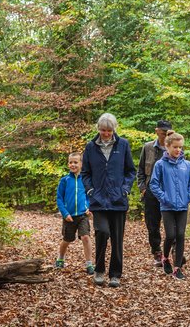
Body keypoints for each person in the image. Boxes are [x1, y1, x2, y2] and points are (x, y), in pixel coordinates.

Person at [81, 113, 137, 287]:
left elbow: (130, 171)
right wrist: (90, 190)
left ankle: (115, 274)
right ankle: (99, 270)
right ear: (98, 129)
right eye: (103, 130)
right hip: (98, 201)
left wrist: (125, 189)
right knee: (102, 233)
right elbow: (85, 173)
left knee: (117, 239)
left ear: (114, 129)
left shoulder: (123, 145)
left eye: (109, 130)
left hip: (118, 200)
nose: (106, 134)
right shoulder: (90, 147)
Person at [148, 130, 190, 280]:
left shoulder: (187, 165)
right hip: (167, 206)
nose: (178, 150)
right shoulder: (160, 165)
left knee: (181, 235)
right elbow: (154, 184)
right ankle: (165, 258)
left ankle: (177, 268)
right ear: (167, 147)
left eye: (180, 147)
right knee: (170, 235)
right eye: (175, 147)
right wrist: (164, 198)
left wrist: (189, 197)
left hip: (182, 206)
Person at [136, 120, 171, 267]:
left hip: (169, 192)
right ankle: (157, 252)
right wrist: (143, 188)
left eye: (168, 133)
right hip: (151, 191)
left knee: (171, 224)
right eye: (163, 133)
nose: (165, 135)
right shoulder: (148, 147)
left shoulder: (174, 147)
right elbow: (141, 170)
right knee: (152, 224)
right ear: (157, 131)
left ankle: (173, 251)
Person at [55, 152, 94, 274]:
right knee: (67, 239)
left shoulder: (86, 180)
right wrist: (65, 213)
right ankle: (60, 258)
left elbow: (90, 195)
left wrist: (89, 206)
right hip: (69, 216)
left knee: (85, 237)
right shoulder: (65, 180)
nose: (73, 165)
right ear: (68, 164)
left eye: (76, 162)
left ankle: (89, 264)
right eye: (71, 162)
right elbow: (59, 198)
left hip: (83, 215)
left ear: (81, 164)